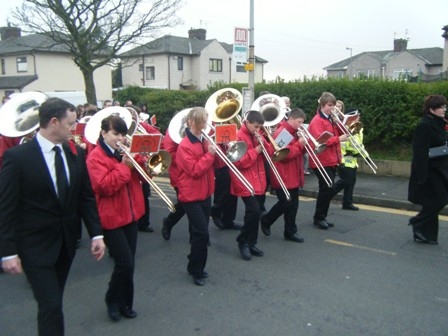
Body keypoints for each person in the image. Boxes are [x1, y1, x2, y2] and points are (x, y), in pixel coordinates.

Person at [0, 97, 105, 335]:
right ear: (54, 122)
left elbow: (85, 198)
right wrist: (7, 251)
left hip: (65, 243)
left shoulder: (75, 154)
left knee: (53, 301)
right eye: (70, 123)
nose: (74, 128)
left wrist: (97, 234)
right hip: (34, 245)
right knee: (51, 305)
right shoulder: (18, 157)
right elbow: (6, 207)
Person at [86, 114, 145, 321]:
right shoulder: (95, 157)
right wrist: (125, 166)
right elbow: (105, 186)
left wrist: (142, 159)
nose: (120, 138)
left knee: (130, 264)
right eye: (115, 134)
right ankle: (112, 300)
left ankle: (126, 303)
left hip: (131, 214)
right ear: (103, 134)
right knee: (124, 264)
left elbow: (144, 177)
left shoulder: (125, 152)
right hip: (111, 218)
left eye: (122, 134)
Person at [175, 107, 216, 286]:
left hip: (205, 193)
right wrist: (210, 155)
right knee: (202, 234)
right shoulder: (185, 145)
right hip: (191, 195)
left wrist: (218, 149)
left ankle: (193, 264)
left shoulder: (203, 139)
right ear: (191, 122)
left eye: (205, 121)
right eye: (201, 122)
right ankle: (197, 270)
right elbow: (195, 170)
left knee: (200, 233)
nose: (204, 126)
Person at [260, 108, 307, 243]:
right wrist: (299, 144)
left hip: (293, 174)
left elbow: (300, 153)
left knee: (293, 206)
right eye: (299, 122)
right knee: (286, 203)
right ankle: (267, 220)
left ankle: (290, 231)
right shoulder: (283, 133)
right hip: (283, 174)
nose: (300, 125)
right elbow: (283, 155)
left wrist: (304, 144)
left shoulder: (295, 132)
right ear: (291, 119)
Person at [231, 110, 271, 260]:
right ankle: (242, 241)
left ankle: (251, 243)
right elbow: (239, 162)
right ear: (246, 123)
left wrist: (263, 141)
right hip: (244, 179)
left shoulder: (257, 134)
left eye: (260, 127)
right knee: (253, 211)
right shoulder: (238, 136)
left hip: (258, 178)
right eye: (255, 126)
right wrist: (255, 151)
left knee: (255, 214)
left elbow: (270, 151)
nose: (257, 130)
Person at [408, 94, 448, 245]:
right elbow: (419, 153)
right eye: (441, 107)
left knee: (434, 202)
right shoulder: (424, 125)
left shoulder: (439, 123)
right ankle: (418, 223)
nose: (445, 109)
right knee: (439, 200)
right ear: (432, 109)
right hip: (430, 171)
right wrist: (422, 177)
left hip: (440, 169)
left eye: (445, 106)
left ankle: (426, 234)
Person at [307, 92, 348, 230]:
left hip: (331, 159)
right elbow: (320, 142)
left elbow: (344, 134)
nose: (333, 108)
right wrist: (338, 139)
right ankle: (319, 217)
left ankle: (321, 216)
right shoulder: (317, 121)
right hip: (321, 160)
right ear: (323, 105)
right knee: (326, 189)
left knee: (327, 189)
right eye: (330, 105)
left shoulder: (331, 119)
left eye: (334, 105)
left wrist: (338, 124)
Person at [333, 107, 363, 211]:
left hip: (353, 160)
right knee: (345, 181)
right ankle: (327, 195)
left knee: (351, 182)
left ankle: (347, 202)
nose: (359, 117)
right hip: (345, 160)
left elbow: (360, 143)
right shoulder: (344, 128)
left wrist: (364, 154)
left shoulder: (358, 128)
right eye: (356, 116)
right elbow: (342, 145)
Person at [161, 129, 187, 240]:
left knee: (196, 205)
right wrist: (188, 154)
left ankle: (196, 236)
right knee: (184, 204)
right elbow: (169, 155)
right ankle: (168, 222)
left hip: (190, 174)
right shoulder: (171, 135)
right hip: (179, 175)